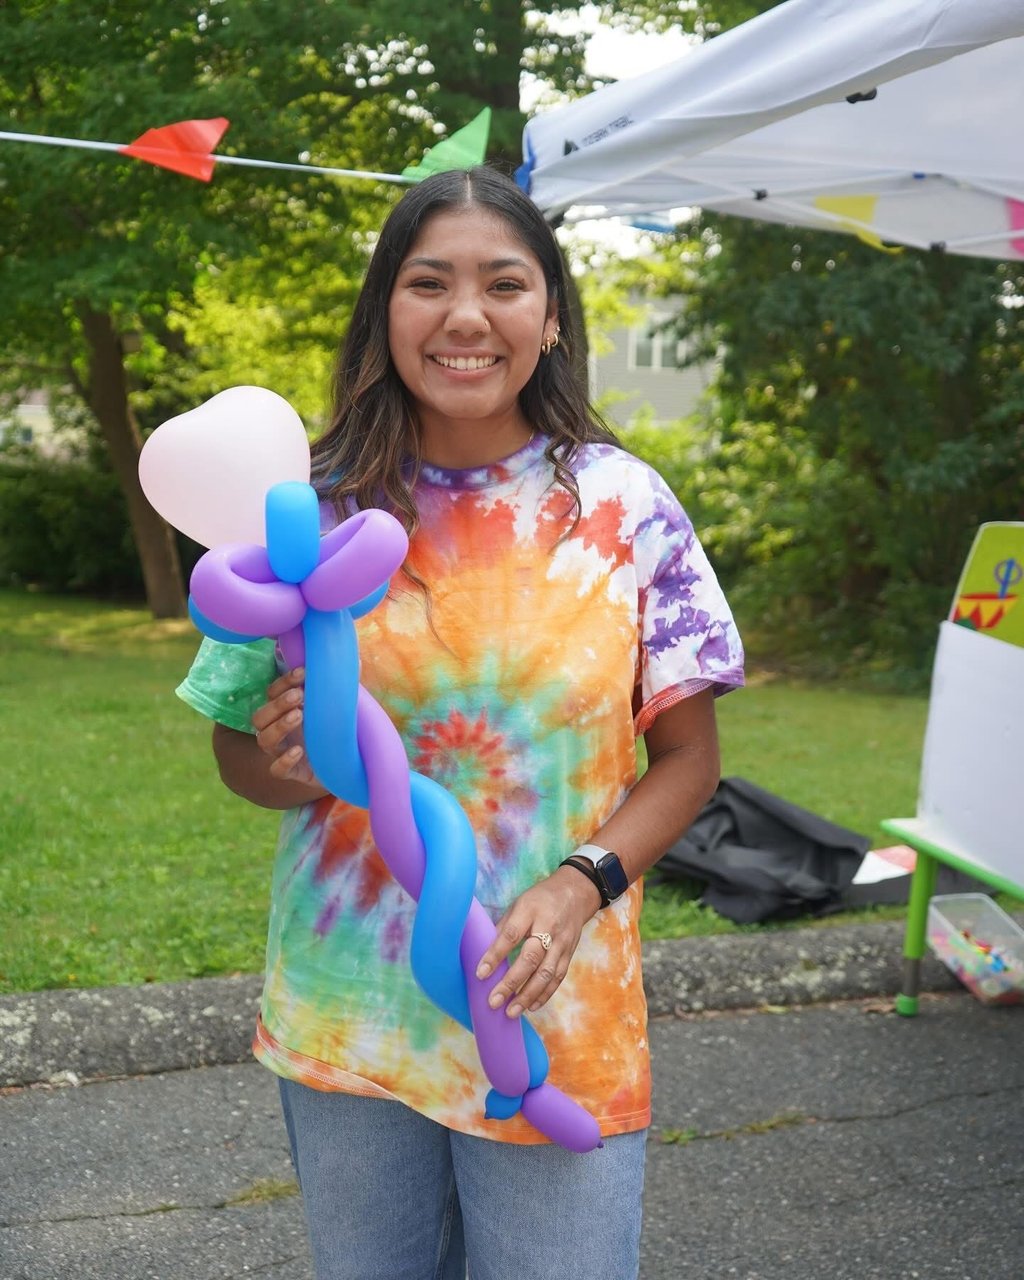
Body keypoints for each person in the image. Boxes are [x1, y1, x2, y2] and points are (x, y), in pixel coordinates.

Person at [176, 165, 744, 1280]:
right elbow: (236, 751)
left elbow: (688, 759)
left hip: (554, 1013)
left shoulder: (626, 507)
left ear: (550, 314)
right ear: (385, 309)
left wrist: (582, 879)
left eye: (504, 283)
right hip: (351, 1015)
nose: (466, 315)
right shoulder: (305, 506)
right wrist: (287, 759)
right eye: (428, 282)